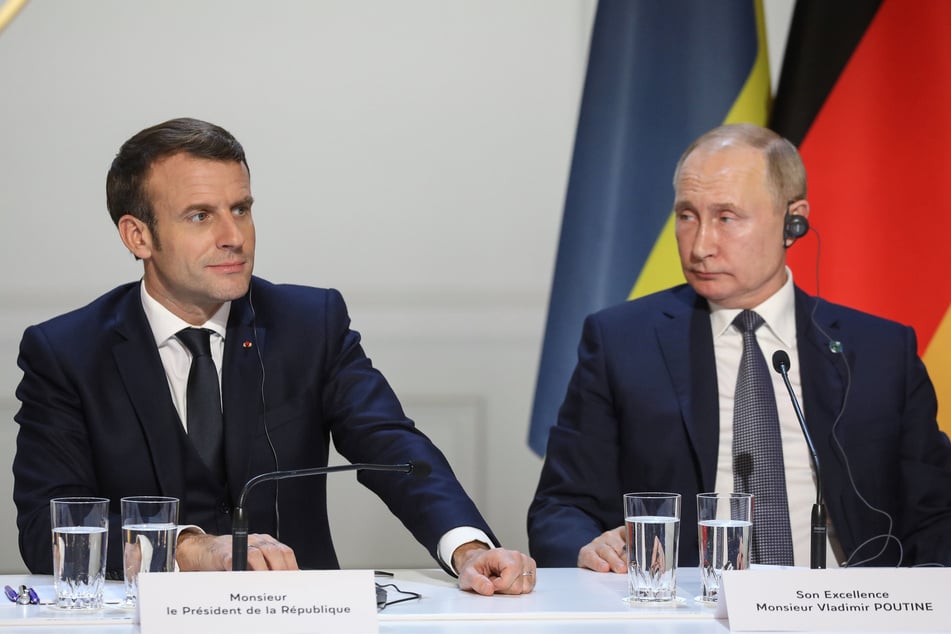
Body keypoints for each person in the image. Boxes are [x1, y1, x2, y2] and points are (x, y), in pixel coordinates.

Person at [13, 117, 536, 596]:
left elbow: (392, 447)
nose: (233, 237)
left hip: (297, 615)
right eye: (200, 216)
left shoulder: (309, 323)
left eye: (241, 209)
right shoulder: (67, 353)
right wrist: (190, 549)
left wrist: (467, 548)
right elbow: (47, 531)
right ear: (138, 235)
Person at [528, 123, 951, 571]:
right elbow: (560, 507)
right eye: (687, 216)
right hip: (685, 612)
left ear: (794, 221)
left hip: (847, 611)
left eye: (727, 217)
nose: (701, 245)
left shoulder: (881, 352)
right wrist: (587, 548)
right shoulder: (621, 342)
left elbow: (936, 515)